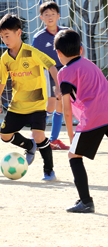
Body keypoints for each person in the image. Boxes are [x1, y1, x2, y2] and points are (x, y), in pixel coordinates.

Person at [0, 14, 59, 181]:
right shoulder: (5, 58)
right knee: (5, 135)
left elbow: (51, 66)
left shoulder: (32, 52)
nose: (4, 40)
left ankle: (49, 170)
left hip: (37, 104)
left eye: (7, 35)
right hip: (17, 105)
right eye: (2, 37)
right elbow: (2, 80)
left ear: (18, 33)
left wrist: (58, 87)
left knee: (39, 136)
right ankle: (30, 146)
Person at [55, 30, 108, 213]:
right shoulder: (90, 64)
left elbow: (67, 111)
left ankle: (86, 202)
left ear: (59, 53)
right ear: (81, 49)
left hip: (93, 117)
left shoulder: (64, 73)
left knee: (73, 155)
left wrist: (71, 136)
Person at [32, 1, 72, 150]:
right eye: (46, 14)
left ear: (58, 16)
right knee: (50, 105)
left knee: (61, 104)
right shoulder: (39, 37)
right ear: (41, 18)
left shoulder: (66, 33)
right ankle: (35, 136)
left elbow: (79, 50)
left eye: (52, 14)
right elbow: (35, 59)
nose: (50, 17)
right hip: (47, 72)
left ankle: (54, 139)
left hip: (65, 72)